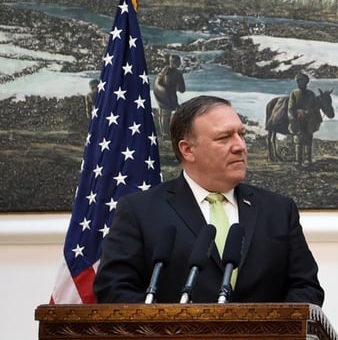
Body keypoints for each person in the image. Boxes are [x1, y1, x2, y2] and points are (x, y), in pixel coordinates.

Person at [93, 95, 325, 305]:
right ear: (187, 150)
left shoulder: (278, 210)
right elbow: (114, 289)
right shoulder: (141, 211)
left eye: (241, 134)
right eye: (224, 137)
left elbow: (306, 288)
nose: (240, 146)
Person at [153, 54, 186, 139]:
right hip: (163, 97)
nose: (175, 63)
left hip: (172, 97)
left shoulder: (178, 73)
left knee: (173, 115)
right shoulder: (166, 70)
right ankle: (165, 135)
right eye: (173, 61)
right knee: (164, 114)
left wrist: (179, 86)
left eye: (176, 62)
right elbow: (158, 82)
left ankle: (172, 133)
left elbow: (182, 89)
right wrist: (161, 90)